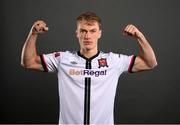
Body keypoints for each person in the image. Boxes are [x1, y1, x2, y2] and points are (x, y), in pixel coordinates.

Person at [21, 11, 157, 124]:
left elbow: (150, 63)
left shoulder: (113, 61)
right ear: (77, 33)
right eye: (83, 31)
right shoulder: (62, 59)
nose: (88, 35)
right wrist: (33, 34)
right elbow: (28, 62)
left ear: (100, 33)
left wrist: (139, 36)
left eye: (93, 31)